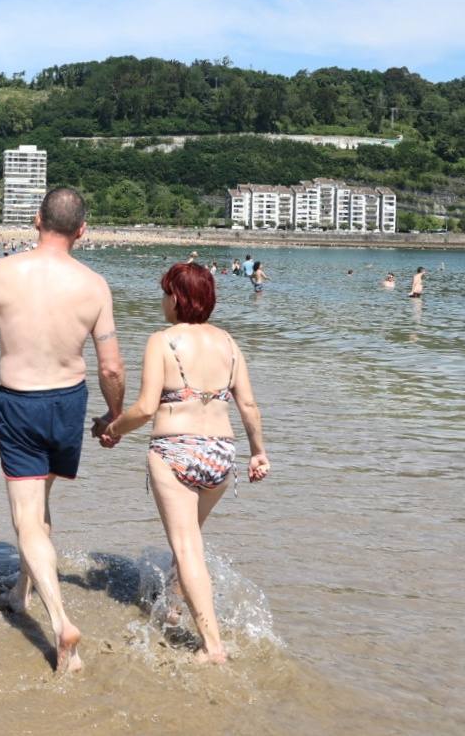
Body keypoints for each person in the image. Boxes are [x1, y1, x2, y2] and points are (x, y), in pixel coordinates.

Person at [0, 186, 125, 676]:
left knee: (27, 519)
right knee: (41, 508)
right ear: (82, 231)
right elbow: (111, 367)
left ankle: (61, 622)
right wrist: (114, 416)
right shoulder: (94, 285)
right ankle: (21, 592)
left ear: (35, 220)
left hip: (21, 403)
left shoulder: (0, 272)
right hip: (69, 403)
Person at [94, 263, 269, 664]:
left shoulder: (163, 341)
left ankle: (212, 646)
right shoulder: (229, 342)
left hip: (176, 450)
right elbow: (248, 405)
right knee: (188, 539)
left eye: (164, 293)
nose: (162, 301)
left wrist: (114, 428)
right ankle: (172, 610)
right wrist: (259, 452)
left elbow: (144, 407)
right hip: (222, 455)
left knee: (187, 546)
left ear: (177, 297)